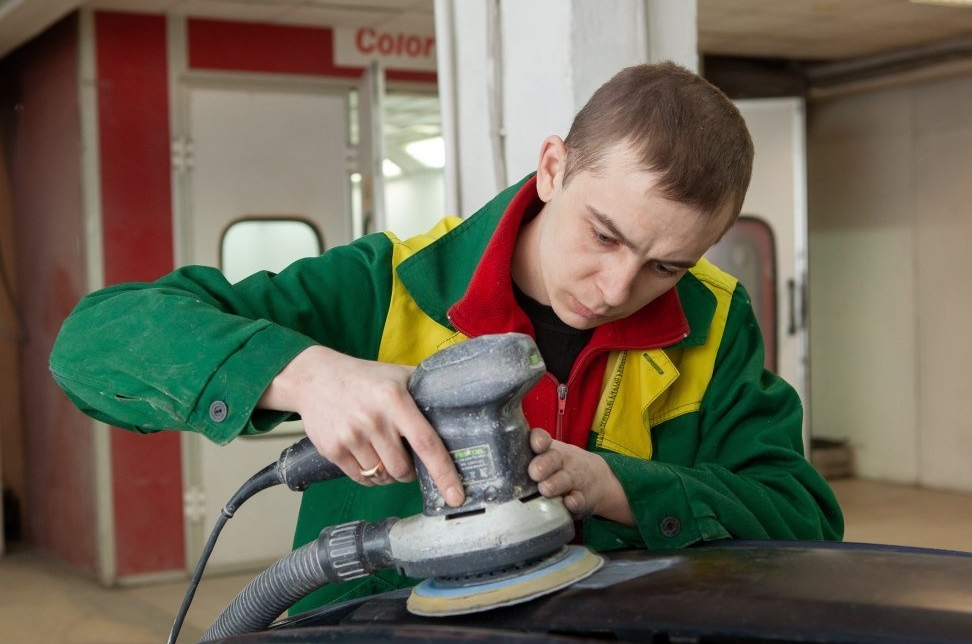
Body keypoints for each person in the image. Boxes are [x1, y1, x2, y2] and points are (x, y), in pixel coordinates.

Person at [50, 61, 843, 612]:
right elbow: (90, 344)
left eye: (665, 266)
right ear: (553, 168)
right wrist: (304, 374)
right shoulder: (386, 286)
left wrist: (620, 488)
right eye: (603, 236)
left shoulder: (712, 316)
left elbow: (800, 517)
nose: (616, 291)